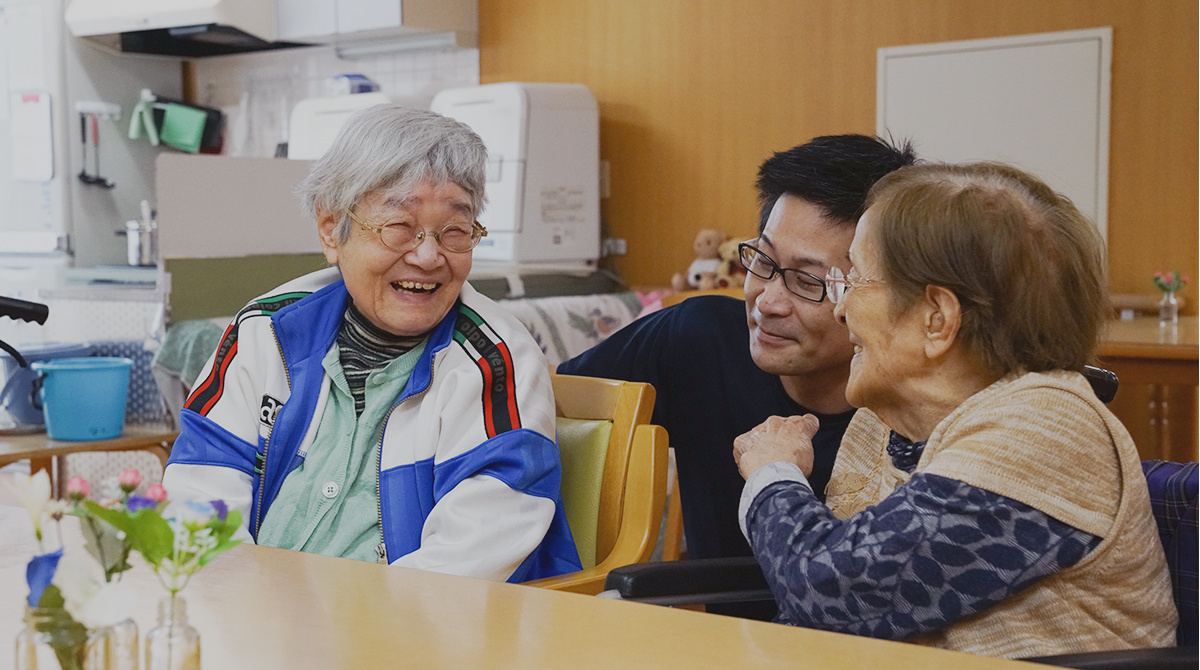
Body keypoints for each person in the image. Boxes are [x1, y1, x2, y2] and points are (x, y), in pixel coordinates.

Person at [734, 162, 1177, 657]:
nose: (841, 310)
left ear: (937, 319)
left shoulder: (1043, 430)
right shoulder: (881, 423)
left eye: (856, 280)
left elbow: (826, 592)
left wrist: (773, 472)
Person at [162, 104, 581, 583]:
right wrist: (246, 611)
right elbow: (198, 490)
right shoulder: (267, 331)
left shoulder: (493, 362)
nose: (428, 256)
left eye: (455, 232)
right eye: (398, 227)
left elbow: (473, 557)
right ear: (330, 229)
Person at [557, 134, 916, 618]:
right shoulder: (698, 338)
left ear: (877, 289)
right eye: (763, 262)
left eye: (809, 281)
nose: (767, 301)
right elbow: (559, 401)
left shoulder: (921, 407)